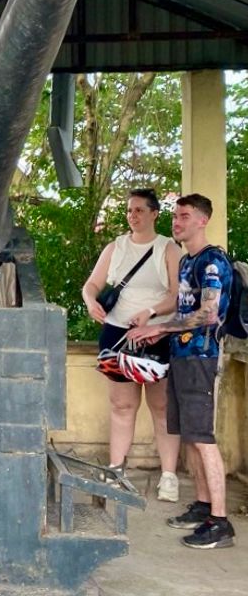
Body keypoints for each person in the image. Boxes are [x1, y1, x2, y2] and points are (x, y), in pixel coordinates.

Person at [129, 193, 235, 549]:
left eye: (185, 216)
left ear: (202, 220)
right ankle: (204, 506)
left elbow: (209, 314)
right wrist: (154, 325)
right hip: (180, 356)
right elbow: (181, 312)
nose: (177, 222)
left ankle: (220, 523)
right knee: (189, 436)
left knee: (202, 438)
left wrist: (158, 328)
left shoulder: (211, 261)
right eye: (175, 216)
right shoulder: (188, 262)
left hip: (201, 358)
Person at [81, 189, 182, 501]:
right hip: (118, 333)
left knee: (162, 406)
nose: (133, 216)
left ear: (154, 213)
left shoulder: (168, 248)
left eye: (139, 210)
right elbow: (93, 284)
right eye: (129, 210)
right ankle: (116, 468)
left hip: (154, 333)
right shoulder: (116, 247)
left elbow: (178, 295)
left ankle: (168, 476)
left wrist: (151, 314)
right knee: (122, 406)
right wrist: (89, 301)